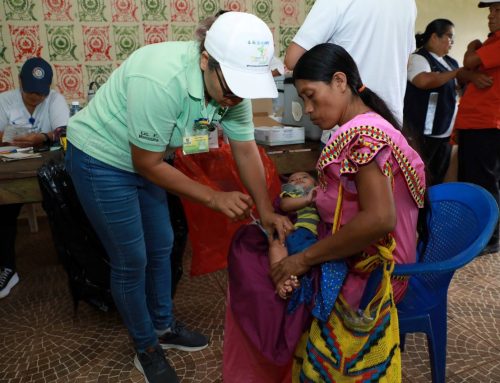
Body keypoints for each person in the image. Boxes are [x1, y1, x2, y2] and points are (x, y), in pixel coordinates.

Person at [64, 11, 293, 383]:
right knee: (131, 258)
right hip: (101, 158)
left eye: (244, 86)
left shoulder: (230, 89)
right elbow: (146, 163)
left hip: (149, 158)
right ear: (206, 60)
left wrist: (265, 209)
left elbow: (246, 149)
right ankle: (146, 346)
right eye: (231, 85)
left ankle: (163, 325)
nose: (236, 96)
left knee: (163, 243)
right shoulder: (161, 78)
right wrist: (214, 198)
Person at [224, 43, 426, 382]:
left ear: (340, 81)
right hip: (366, 253)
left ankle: (273, 368)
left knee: (252, 267)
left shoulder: (364, 136)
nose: (308, 109)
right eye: (302, 99)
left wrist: (300, 261)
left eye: (311, 95)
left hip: (376, 269)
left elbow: (379, 220)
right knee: (261, 243)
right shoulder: (366, 126)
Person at [0, 57, 69, 299]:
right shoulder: (5, 100)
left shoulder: (55, 99)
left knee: (63, 205)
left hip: (46, 168)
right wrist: (9, 139)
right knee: (4, 211)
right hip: (12, 169)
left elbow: (63, 132)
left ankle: (70, 258)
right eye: (30, 92)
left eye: (41, 93)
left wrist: (40, 137)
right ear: (20, 82)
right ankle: (6, 267)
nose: (36, 98)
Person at [284, 0, 417, 124]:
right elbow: (406, 63)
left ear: (340, 81)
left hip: (349, 123)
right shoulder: (408, 3)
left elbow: (293, 59)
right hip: (390, 121)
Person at [404, 19, 492, 185]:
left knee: (437, 178)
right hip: (422, 132)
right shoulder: (419, 58)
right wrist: (456, 73)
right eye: (449, 37)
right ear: (434, 37)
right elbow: (422, 81)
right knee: (418, 178)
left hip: (444, 132)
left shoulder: (450, 62)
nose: (452, 42)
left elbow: (458, 86)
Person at [454, 0, 500, 255]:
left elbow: (469, 60)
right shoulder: (491, 42)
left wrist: (472, 48)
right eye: (491, 11)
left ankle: (488, 238)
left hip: (487, 123)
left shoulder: (493, 44)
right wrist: (470, 74)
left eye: (497, 10)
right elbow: (463, 72)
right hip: (477, 123)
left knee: (484, 182)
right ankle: (478, 234)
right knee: (475, 179)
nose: (491, 16)